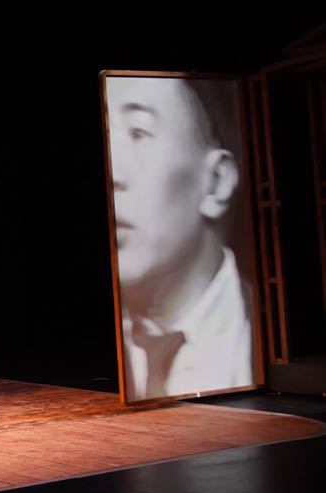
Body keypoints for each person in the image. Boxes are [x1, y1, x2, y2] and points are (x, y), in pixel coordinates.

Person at [107, 75, 255, 401]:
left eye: (138, 132)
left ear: (216, 181)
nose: (113, 173)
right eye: (106, 139)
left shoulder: (267, 332)